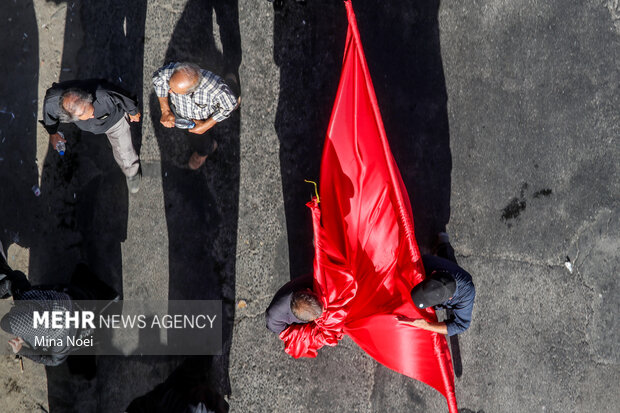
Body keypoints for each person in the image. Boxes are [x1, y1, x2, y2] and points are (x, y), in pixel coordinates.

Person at [0, 241, 118, 366]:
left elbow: (54, 360)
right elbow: (15, 280)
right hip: (75, 298)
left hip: (79, 315)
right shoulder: (33, 298)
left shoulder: (61, 343)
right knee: (80, 280)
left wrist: (22, 350)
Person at [42, 79, 143, 193]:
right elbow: (48, 113)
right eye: (88, 116)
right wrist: (53, 133)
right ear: (69, 116)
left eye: (92, 110)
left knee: (124, 150)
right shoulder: (53, 101)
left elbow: (122, 96)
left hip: (114, 122)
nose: (93, 115)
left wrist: (133, 111)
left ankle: (131, 171)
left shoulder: (103, 94)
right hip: (93, 128)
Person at [152, 62, 240, 170]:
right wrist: (165, 110)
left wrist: (206, 125)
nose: (169, 91)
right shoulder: (172, 72)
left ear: (193, 91)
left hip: (202, 116)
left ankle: (206, 150)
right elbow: (158, 78)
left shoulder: (213, 86)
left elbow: (229, 104)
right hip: (184, 113)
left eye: (173, 91)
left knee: (232, 95)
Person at [397, 232, 475, 336]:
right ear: (433, 273)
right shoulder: (428, 263)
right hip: (441, 266)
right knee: (446, 258)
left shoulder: (466, 295)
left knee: (448, 258)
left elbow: (462, 325)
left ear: (449, 299)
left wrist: (427, 326)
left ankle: (444, 245)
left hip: (457, 281)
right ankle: (443, 245)